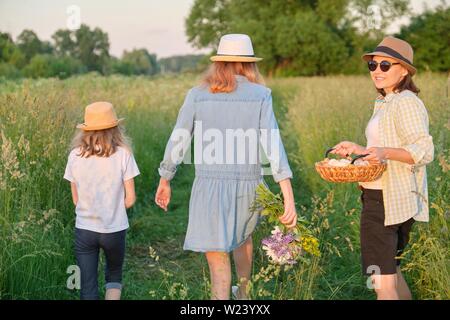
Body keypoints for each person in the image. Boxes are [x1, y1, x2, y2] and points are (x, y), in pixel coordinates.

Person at [155, 34, 297, 300]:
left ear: (219, 63)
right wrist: (287, 196)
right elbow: (274, 145)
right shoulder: (261, 95)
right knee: (242, 237)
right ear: (249, 64)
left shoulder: (197, 95)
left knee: (218, 254)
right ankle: (243, 294)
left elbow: (179, 137)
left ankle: (221, 297)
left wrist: (166, 178)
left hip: (209, 186)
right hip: (249, 187)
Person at [332, 36, 434, 300]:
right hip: (389, 198)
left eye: (385, 65)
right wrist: (359, 150)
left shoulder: (405, 102)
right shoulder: (386, 101)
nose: (377, 71)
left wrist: (383, 152)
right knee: (392, 272)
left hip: (385, 202)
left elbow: (423, 150)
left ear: (404, 70)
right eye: (373, 66)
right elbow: (382, 147)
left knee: (381, 284)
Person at [64, 101, 140, 299]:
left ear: (85, 131)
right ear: (115, 128)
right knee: (113, 275)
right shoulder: (124, 154)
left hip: (85, 230)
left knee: (87, 286)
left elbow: (75, 199)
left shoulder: (74, 156)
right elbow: (130, 199)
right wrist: (112, 210)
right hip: (114, 229)